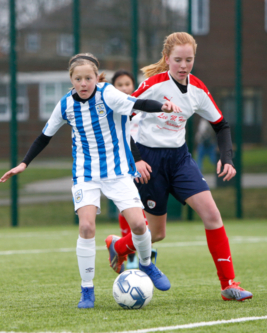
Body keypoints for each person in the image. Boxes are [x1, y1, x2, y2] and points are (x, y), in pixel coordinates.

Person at [0, 53, 181, 309]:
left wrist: (163, 106)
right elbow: (44, 137)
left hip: (118, 173)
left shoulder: (108, 94)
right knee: (86, 228)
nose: (83, 83)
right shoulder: (65, 105)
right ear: (71, 80)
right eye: (78, 78)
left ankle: (147, 265)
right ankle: (87, 290)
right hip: (86, 175)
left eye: (88, 78)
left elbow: (138, 103)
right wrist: (23, 163)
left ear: (96, 77)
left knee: (140, 224)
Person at [105, 32, 253, 302]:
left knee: (212, 214)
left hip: (180, 160)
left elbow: (221, 124)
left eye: (189, 59)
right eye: (178, 60)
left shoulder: (197, 89)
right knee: (157, 233)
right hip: (149, 161)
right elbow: (121, 118)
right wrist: (136, 158)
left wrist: (227, 157)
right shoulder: (152, 85)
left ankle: (229, 284)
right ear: (167, 59)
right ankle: (119, 245)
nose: (184, 65)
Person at [111, 70, 157, 270]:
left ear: (134, 86)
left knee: (147, 210)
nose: (123, 88)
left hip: (147, 163)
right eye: (119, 85)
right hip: (124, 165)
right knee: (128, 207)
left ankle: (140, 251)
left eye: (127, 84)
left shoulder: (143, 108)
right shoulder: (113, 110)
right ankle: (128, 254)